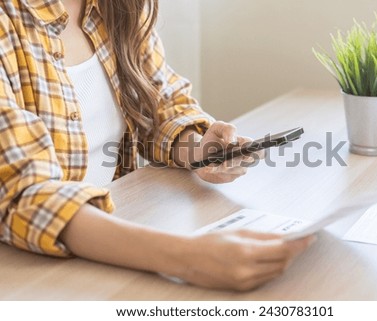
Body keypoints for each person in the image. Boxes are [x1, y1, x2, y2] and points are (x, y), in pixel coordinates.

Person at [0, 0, 316, 291]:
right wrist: (187, 256)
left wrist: (198, 148)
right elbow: (24, 192)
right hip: (32, 270)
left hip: (115, 241)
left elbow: (161, 106)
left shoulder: (119, 6)